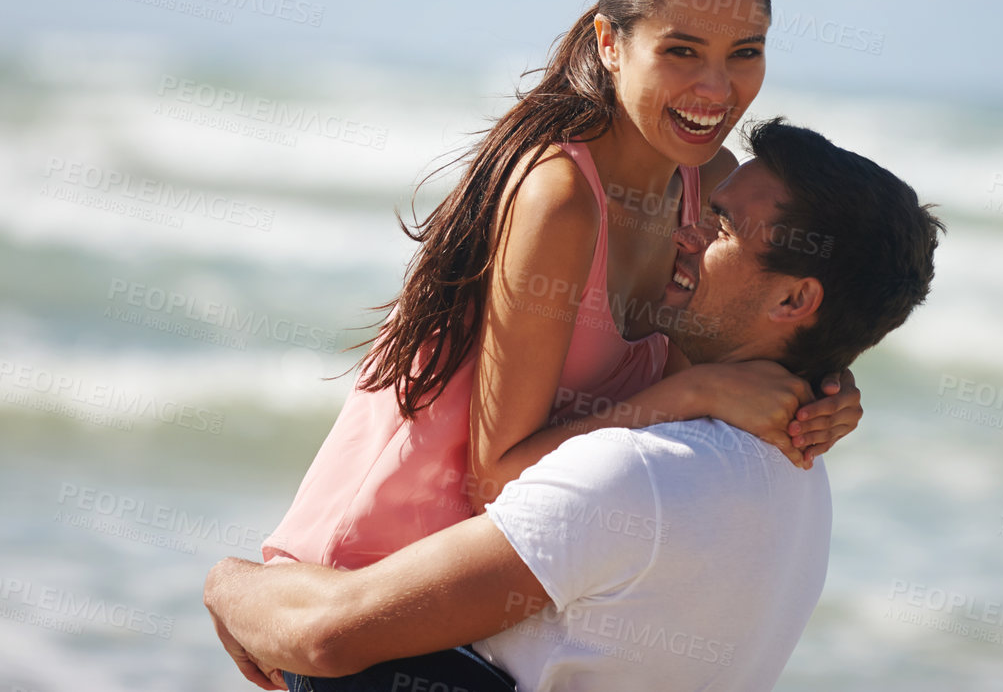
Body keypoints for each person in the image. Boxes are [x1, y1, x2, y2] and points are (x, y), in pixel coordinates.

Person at [206, 118, 945, 691]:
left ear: (794, 298)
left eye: (719, 227)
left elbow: (329, 636)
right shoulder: (802, 482)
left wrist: (227, 584)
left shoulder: (636, 474)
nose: (685, 231)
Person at [260, 0, 866, 580]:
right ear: (610, 41)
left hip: (482, 595)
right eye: (681, 51)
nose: (718, 90)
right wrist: (698, 393)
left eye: (745, 53)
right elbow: (498, 479)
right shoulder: (562, 199)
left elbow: (747, 329)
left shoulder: (712, 182)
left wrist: (822, 388)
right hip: (365, 580)